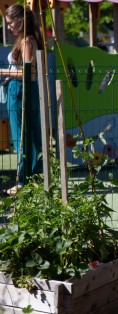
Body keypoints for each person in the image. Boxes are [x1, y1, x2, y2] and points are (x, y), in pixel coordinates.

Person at [0, 4, 43, 196]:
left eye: (10, 23)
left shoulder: (27, 41)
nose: (8, 27)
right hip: (24, 91)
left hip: (21, 92)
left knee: (21, 138)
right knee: (30, 137)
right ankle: (34, 178)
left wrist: (2, 71)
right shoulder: (30, 40)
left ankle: (23, 181)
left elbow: (29, 72)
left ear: (20, 21)